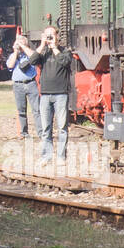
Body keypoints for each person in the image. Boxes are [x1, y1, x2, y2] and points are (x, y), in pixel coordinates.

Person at [25, 26, 77, 163]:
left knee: (62, 128)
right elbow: (32, 61)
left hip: (61, 94)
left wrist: (54, 47)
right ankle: (46, 156)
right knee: (46, 128)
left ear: (57, 36)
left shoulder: (65, 51)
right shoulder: (43, 53)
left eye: (52, 35)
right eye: (47, 35)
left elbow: (64, 62)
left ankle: (61, 157)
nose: (49, 38)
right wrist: (42, 45)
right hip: (45, 95)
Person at [7, 34, 41, 139]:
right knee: (21, 110)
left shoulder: (30, 54)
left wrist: (24, 47)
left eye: (22, 43)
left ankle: (41, 132)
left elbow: (34, 57)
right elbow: (10, 65)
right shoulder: (13, 56)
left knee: (37, 110)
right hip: (18, 85)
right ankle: (24, 133)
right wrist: (16, 51)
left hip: (31, 83)